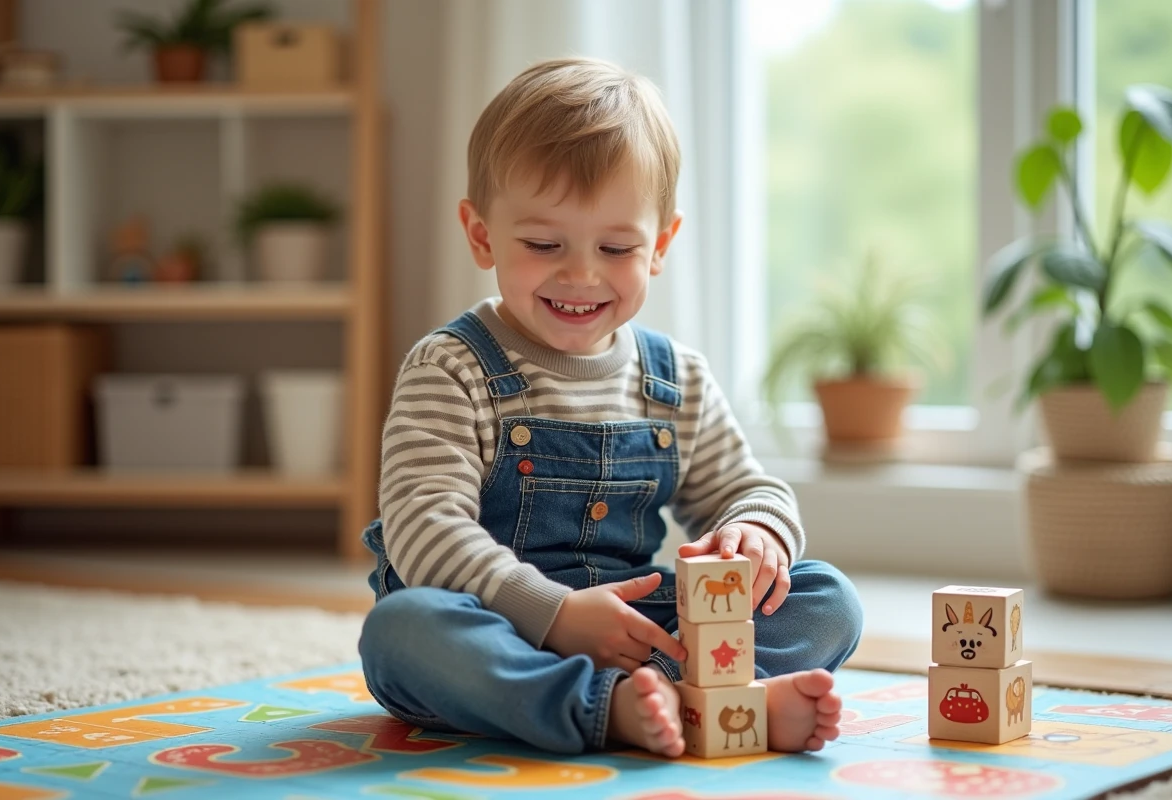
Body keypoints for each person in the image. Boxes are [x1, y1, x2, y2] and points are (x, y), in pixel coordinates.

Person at [358, 56, 863, 757]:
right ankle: (611, 709)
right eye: (543, 243)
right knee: (403, 634)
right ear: (481, 236)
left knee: (826, 598)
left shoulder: (674, 375)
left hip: (638, 629)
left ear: (659, 246)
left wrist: (756, 534)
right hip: (500, 629)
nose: (580, 273)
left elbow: (745, 487)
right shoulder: (450, 368)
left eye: (616, 247)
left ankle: (694, 699)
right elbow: (424, 527)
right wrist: (554, 614)